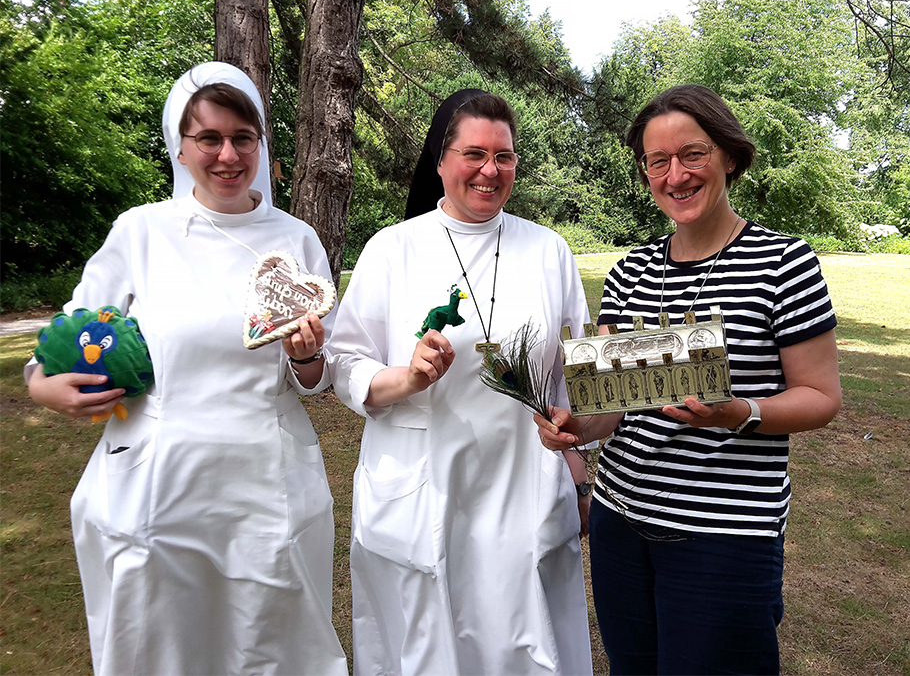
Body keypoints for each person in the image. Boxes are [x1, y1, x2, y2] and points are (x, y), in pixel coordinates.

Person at [25, 62, 348, 675]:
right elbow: (64, 345)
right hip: (157, 486)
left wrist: (306, 359)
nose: (227, 155)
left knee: (269, 648)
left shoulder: (296, 240)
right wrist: (44, 388)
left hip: (265, 485)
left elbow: (314, 379)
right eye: (209, 139)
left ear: (261, 144)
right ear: (181, 145)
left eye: (242, 139)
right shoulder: (141, 233)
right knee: (160, 647)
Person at [536, 83, 842, 675]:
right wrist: (577, 424)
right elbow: (611, 407)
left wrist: (741, 412)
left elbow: (822, 397)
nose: (676, 174)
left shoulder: (785, 263)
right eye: (658, 161)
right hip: (620, 522)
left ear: (728, 154)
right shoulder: (631, 272)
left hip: (726, 536)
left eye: (692, 154)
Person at [326, 90, 594, 675]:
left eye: (505, 155)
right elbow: (344, 360)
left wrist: (579, 466)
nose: (490, 170)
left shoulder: (548, 250)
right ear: (441, 159)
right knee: (428, 649)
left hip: (522, 483)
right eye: (474, 153)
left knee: (522, 645)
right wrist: (405, 378)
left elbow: (574, 373)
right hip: (424, 483)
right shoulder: (392, 250)